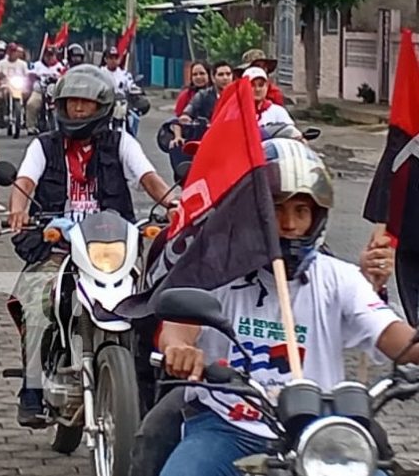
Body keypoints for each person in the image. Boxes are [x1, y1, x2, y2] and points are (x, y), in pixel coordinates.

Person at [134, 139, 419, 476]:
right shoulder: (218, 270)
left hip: (321, 433)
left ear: (317, 216)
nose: (289, 224)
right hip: (227, 426)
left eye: (301, 211)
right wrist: (181, 349)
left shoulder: (340, 279)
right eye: (276, 209)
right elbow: (179, 329)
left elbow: (395, 338)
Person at [6, 64, 178, 427]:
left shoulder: (121, 142)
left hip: (112, 247)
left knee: (151, 303)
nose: (78, 110)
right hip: (59, 246)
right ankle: (33, 388)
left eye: (84, 104)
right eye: (71, 104)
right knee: (39, 300)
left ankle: (148, 387)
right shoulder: (44, 145)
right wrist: (18, 211)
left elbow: (148, 177)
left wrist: (173, 205)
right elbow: (24, 180)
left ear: (100, 106)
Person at [27, 46, 64, 135]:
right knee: (31, 104)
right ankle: (31, 127)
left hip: (54, 92)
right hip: (40, 91)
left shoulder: (60, 66)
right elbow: (30, 73)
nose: (50, 58)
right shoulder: (37, 65)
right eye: (48, 55)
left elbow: (64, 75)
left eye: (52, 55)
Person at [0, 43, 30, 124]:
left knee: (28, 97)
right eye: (10, 51)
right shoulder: (2, 63)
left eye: (14, 51)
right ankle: (2, 116)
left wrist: (28, 80)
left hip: (19, 86)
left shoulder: (22, 64)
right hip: (6, 85)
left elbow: (27, 75)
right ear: (7, 52)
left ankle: (24, 117)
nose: (12, 53)